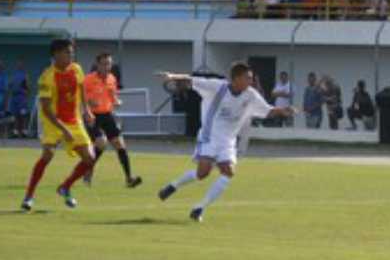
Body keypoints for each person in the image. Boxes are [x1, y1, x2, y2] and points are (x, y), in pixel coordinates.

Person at [156, 63, 294, 222]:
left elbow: (267, 110)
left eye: (251, 78)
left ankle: (199, 208)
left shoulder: (251, 95)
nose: (251, 81)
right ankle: (173, 185)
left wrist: (283, 111)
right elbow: (191, 80)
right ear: (236, 78)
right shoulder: (217, 87)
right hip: (210, 137)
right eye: (247, 78)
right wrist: (172, 76)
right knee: (202, 174)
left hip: (228, 141)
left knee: (228, 172)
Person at [21, 39, 96, 211]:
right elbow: (46, 110)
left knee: (90, 159)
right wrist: (64, 130)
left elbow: (81, 88)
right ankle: (29, 197)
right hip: (53, 122)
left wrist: (87, 110)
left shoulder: (77, 69)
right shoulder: (46, 77)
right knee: (47, 154)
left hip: (74, 120)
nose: (71, 55)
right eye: (67, 52)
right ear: (56, 54)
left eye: (72, 52)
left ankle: (65, 187)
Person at [83, 52, 142, 188]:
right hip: (92, 116)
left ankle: (129, 178)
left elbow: (112, 95)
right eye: (104, 63)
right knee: (101, 143)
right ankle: (88, 170)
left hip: (107, 115)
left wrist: (116, 101)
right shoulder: (88, 80)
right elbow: (82, 98)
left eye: (109, 63)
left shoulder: (111, 79)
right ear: (97, 64)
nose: (107, 66)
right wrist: (89, 104)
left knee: (120, 144)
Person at [7, 60, 31, 138]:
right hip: (14, 97)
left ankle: (24, 132)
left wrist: (26, 96)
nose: (19, 66)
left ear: (23, 66)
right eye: (18, 64)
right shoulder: (14, 75)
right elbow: (10, 85)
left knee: (23, 115)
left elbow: (28, 87)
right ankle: (15, 132)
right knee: (15, 115)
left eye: (21, 64)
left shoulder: (25, 75)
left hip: (22, 98)